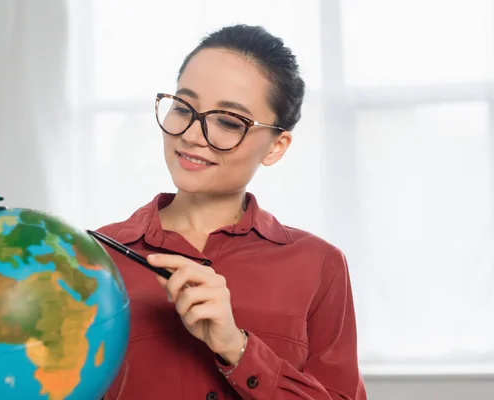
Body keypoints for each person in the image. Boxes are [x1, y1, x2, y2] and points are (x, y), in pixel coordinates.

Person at [96, 24, 367, 400]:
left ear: (276, 146)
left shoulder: (320, 265)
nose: (191, 135)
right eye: (183, 107)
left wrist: (237, 349)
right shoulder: (95, 258)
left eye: (227, 122)